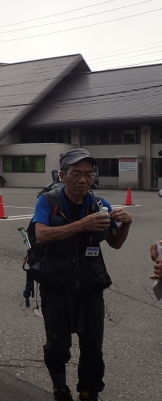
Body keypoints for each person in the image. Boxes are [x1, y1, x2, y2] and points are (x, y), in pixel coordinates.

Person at [32, 149, 132, 401]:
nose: (83, 180)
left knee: (93, 347)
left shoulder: (99, 205)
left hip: (91, 284)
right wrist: (82, 225)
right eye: (76, 173)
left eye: (88, 174)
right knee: (57, 345)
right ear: (62, 175)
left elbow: (115, 243)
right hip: (56, 283)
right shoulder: (48, 201)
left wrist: (126, 224)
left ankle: (89, 391)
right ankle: (59, 387)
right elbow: (42, 235)